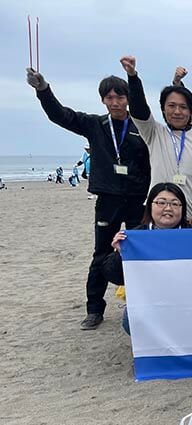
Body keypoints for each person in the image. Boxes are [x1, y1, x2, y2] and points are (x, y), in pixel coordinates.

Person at [26, 66, 150, 330]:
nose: (115, 102)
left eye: (120, 97)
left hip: (138, 199)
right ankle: (94, 309)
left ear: (127, 98)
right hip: (108, 199)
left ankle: (143, 302)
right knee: (101, 254)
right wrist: (43, 90)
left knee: (141, 252)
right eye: (109, 98)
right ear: (103, 100)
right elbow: (61, 116)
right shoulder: (95, 124)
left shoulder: (142, 127)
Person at [103, 182, 192, 334]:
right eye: (161, 203)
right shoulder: (137, 237)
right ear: (150, 206)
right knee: (130, 322)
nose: (168, 208)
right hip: (152, 302)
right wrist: (120, 253)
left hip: (191, 299)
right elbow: (114, 276)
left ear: (182, 209)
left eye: (175, 204)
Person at [120, 55, 192, 223]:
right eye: (171, 106)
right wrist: (132, 77)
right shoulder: (154, 133)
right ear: (163, 109)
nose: (177, 112)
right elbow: (139, 109)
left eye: (183, 107)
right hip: (158, 216)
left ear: (190, 111)